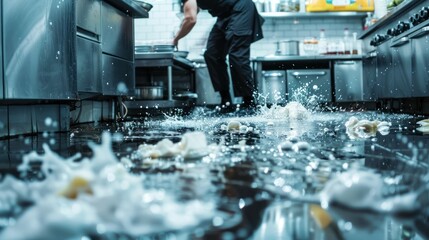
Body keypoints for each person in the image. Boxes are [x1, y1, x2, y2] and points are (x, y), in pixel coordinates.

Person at [173, 0, 264, 113]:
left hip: (241, 8)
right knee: (212, 54)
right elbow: (192, 13)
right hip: (224, 15)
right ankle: (226, 102)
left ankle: (249, 103)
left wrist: (175, 39)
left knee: (237, 56)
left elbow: (191, 19)